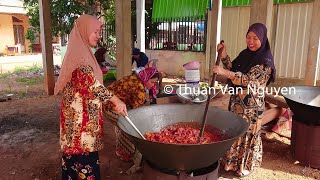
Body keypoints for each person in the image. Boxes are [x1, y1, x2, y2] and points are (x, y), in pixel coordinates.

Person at [54, 14, 128, 179]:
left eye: (99, 31)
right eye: (95, 31)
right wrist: (116, 100)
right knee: (83, 167)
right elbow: (93, 85)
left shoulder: (83, 52)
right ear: (84, 30)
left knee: (74, 167)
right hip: (80, 129)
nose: (98, 35)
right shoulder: (80, 58)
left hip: (79, 125)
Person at [212, 23, 276, 177]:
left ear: (263, 38)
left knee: (247, 134)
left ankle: (245, 165)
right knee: (235, 131)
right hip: (237, 103)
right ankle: (231, 163)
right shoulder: (245, 54)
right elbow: (234, 69)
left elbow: (248, 80)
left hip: (251, 107)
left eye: (255, 38)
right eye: (248, 37)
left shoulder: (265, 61)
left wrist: (223, 72)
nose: (251, 41)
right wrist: (224, 55)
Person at [103, 67, 159, 174]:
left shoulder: (135, 78)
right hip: (109, 106)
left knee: (121, 126)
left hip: (112, 102)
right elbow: (137, 114)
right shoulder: (138, 87)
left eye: (155, 83)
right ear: (146, 78)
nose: (153, 85)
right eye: (152, 82)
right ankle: (127, 153)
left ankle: (122, 151)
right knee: (128, 127)